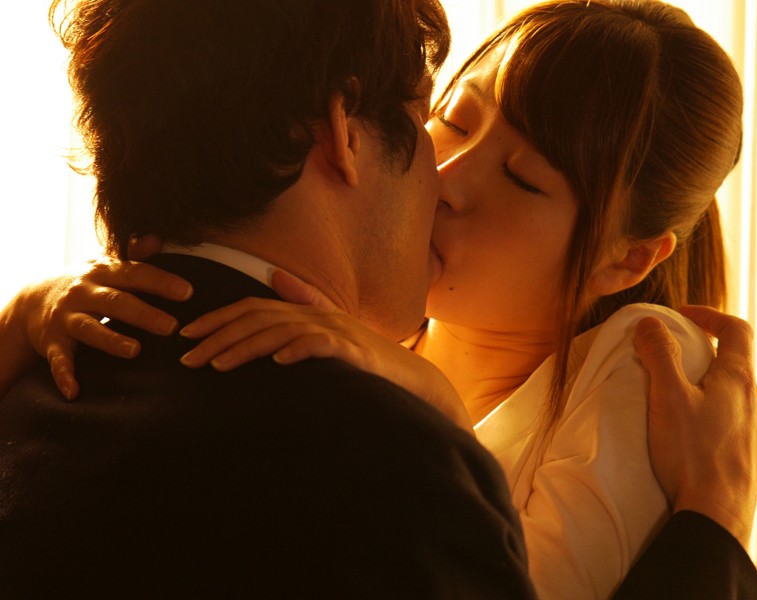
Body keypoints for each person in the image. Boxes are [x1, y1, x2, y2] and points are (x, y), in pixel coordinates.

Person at [0, 0, 757, 598]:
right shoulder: (330, 367)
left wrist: (717, 517)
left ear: (628, 258)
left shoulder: (646, 363)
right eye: (450, 121)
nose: (448, 180)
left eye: (524, 179)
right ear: (346, 135)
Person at [0, 0, 536, 597]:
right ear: (344, 132)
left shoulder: (28, 393)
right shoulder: (398, 475)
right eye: (431, 120)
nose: (445, 183)